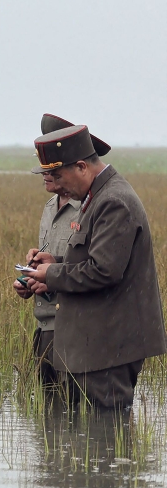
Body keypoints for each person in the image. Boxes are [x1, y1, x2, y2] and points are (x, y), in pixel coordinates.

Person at [21, 123, 166, 410]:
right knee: (80, 432)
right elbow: (96, 259)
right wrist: (56, 262)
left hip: (108, 349)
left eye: (58, 176)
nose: (56, 185)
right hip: (94, 347)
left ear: (81, 167)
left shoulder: (113, 201)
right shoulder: (97, 197)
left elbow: (104, 270)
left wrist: (51, 274)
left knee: (104, 431)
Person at [12, 114, 81, 388]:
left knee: (74, 406)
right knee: (46, 407)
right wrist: (30, 278)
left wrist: (51, 277)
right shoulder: (50, 206)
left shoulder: (92, 208)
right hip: (44, 326)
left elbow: (94, 268)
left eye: (52, 170)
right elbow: (50, 259)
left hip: (72, 327)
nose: (45, 175)